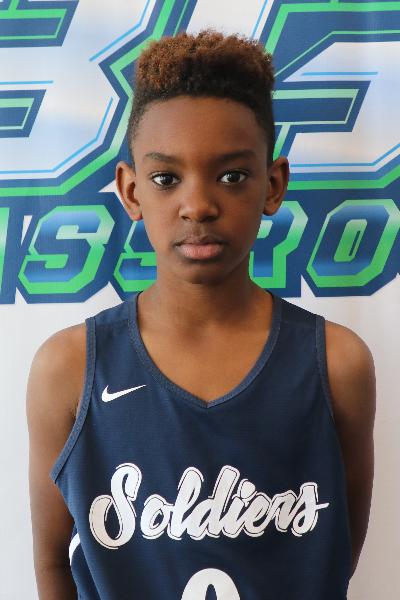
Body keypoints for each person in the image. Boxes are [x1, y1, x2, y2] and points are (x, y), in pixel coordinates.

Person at [27, 30, 376, 600]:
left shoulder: (338, 364)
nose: (197, 205)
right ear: (131, 191)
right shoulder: (69, 368)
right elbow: (51, 562)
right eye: (167, 179)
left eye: (231, 175)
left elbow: (335, 558)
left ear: (273, 185)